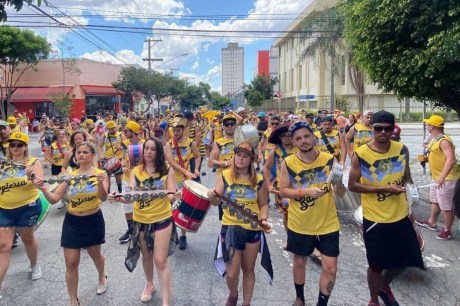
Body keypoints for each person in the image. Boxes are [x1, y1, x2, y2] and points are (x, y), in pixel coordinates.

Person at [348, 111, 425, 306]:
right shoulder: (362, 154)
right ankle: (374, 299)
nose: (383, 132)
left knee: (406, 261)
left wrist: (411, 189)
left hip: (400, 215)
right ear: (371, 128)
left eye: (387, 128)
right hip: (375, 218)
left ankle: (384, 286)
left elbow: (406, 176)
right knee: (376, 265)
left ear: (393, 128)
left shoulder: (401, 149)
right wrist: (384, 188)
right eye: (378, 128)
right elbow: (353, 185)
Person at [33, 141, 109, 306]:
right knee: (71, 262)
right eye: (78, 152)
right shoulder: (70, 176)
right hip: (73, 222)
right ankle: (73, 300)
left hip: (93, 220)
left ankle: (102, 275)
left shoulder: (100, 173)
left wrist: (101, 183)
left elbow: (103, 197)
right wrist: (43, 189)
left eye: (84, 152)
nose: (80, 155)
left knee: (95, 255)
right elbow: (54, 200)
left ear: (92, 155)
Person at [279, 121, 340, 306]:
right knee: (299, 262)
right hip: (300, 223)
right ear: (294, 142)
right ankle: (300, 297)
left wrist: (341, 184)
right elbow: (283, 191)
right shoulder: (288, 162)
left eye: (306, 136)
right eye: (298, 138)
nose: (304, 141)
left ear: (313, 136)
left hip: (328, 223)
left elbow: (340, 190)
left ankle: (322, 303)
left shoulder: (329, 159)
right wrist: (305, 191)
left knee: (330, 268)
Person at [109, 137, 176, 305]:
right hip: (141, 220)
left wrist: (173, 195)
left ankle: (166, 302)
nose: (149, 152)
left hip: (162, 219)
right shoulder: (136, 171)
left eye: (153, 149)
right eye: (147, 148)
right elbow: (130, 196)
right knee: (147, 256)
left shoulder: (167, 170)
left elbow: (170, 196)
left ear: (158, 152)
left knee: (160, 260)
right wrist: (119, 198)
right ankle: (150, 284)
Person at [208, 141, 271, 306]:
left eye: (245, 156)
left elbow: (263, 204)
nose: (241, 159)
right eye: (238, 155)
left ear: (251, 159)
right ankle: (234, 293)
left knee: (249, 270)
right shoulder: (225, 175)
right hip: (231, 228)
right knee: (232, 273)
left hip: (253, 228)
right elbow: (216, 202)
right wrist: (211, 196)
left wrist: (264, 219)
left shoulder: (258, 180)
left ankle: (246, 303)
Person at [0, 132, 44, 300]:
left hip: (28, 208)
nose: (15, 148)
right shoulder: (3, 164)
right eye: (12, 145)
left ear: (26, 147)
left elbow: (39, 182)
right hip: (4, 209)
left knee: (28, 239)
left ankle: (34, 264)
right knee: (3, 246)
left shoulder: (33, 163)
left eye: (19, 145)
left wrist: (30, 175)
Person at [416, 115, 459, 240]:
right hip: (436, 177)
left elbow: (451, 159)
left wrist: (442, 177)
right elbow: (429, 148)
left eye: (428, 124)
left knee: (447, 206)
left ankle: (447, 230)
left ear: (432, 126)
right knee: (435, 201)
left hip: (446, 179)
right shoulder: (435, 139)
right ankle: (432, 222)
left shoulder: (444, 141)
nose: (426, 126)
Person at [164, 116, 201, 250]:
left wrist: (196, 168)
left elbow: (197, 156)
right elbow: (171, 162)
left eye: (178, 130)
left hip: (187, 182)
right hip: (171, 180)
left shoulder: (191, 143)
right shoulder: (169, 144)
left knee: (183, 209)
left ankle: (183, 234)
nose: (176, 132)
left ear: (184, 130)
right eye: (174, 130)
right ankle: (172, 233)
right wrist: (186, 172)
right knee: (171, 207)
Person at [118, 121, 145, 243]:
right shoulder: (125, 144)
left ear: (133, 132)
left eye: (127, 131)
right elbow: (123, 157)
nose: (124, 132)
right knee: (126, 206)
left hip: (142, 179)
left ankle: (143, 229)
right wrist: (123, 165)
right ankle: (131, 230)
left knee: (142, 204)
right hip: (127, 178)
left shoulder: (145, 144)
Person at [208, 114, 237, 219]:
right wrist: (225, 163)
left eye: (232, 124)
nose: (229, 126)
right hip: (224, 181)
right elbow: (210, 163)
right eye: (227, 124)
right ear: (223, 126)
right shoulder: (219, 142)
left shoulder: (242, 141)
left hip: (241, 180)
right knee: (225, 213)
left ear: (235, 125)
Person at [98, 120, 124, 194]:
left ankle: (120, 189)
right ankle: (108, 191)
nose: (113, 129)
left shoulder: (120, 135)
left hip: (117, 159)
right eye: (111, 128)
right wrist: (100, 155)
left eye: (114, 127)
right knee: (107, 176)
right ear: (108, 128)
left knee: (118, 176)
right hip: (107, 159)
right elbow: (99, 146)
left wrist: (121, 147)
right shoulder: (104, 136)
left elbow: (126, 145)